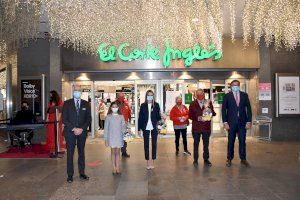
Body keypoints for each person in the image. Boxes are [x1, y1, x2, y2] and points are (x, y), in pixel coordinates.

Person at [62, 85, 91, 183]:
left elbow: (88, 119)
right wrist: (74, 128)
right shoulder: (67, 103)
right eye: (75, 90)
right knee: (70, 153)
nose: (77, 92)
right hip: (70, 132)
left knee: (81, 152)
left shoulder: (86, 104)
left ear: (81, 92)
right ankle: (70, 175)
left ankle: (82, 173)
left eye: (79, 90)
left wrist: (82, 129)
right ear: (73, 91)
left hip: (82, 132)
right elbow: (64, 119)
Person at [222, 80, 252, 167]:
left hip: (242, 123)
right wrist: (225, 122)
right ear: (231, 86)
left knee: (242, 141)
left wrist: (249, 121)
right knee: (231, 141)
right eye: (234, 85)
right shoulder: (227, 96)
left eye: (237, 85)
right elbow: (223, 110)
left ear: (239, 86)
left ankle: (243, 159)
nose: (235, 86)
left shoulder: (244, 95)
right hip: (231, 123)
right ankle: (229, 158)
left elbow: (249, 109)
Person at [189, 89, 216, 167]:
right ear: (196, 95)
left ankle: (206, 159)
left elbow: (213, 113)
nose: (200, 95)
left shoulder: (209, 102)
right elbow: (190, 115)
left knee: (206, 145)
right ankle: (195, 160)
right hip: (196, 128)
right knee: (196, 144)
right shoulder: (193, 103)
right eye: (198, 94)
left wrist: (210, 111)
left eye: (201, 93)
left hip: (206, 128)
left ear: (204, 94)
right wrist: (198, 118)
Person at [138, 90, 161, 170]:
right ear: (146, 96)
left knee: (154, 144)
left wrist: (161, 119)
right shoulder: (143, 105)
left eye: (151, 95)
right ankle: (148, 161)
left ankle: (152, 161)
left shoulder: (156, 105)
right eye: (148, 95)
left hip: (154, 127)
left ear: (153, 96)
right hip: (145, 127)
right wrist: (138, 129)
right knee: (146, 145)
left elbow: (158, 116)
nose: (150, 96)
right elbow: (140, 118)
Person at [104, 101, 127, 175]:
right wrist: (106, 139)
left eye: (116, 107)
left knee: (118, 152)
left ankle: (118, 167)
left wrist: (126, 132)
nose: (114, 108)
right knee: (113, 152)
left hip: (119, 137)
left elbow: (123, 126)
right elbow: (106, 128)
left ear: (118, 108)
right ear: (111, 108)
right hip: (111, 137)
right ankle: (113, 167)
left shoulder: (121, 116)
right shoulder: (108, 117)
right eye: (113, 107)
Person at [116, 92, 131, 158]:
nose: (122, 97)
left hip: (125, 124)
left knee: (125, 138)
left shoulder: (126, 104)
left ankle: (124, 152)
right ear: (118, 97)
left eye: (123, 96)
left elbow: (129, 113)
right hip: (116, 124)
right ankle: (116, 152)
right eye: (121, 96)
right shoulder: (114, 104)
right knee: (117, 138)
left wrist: (128, 122)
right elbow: (110, 114)